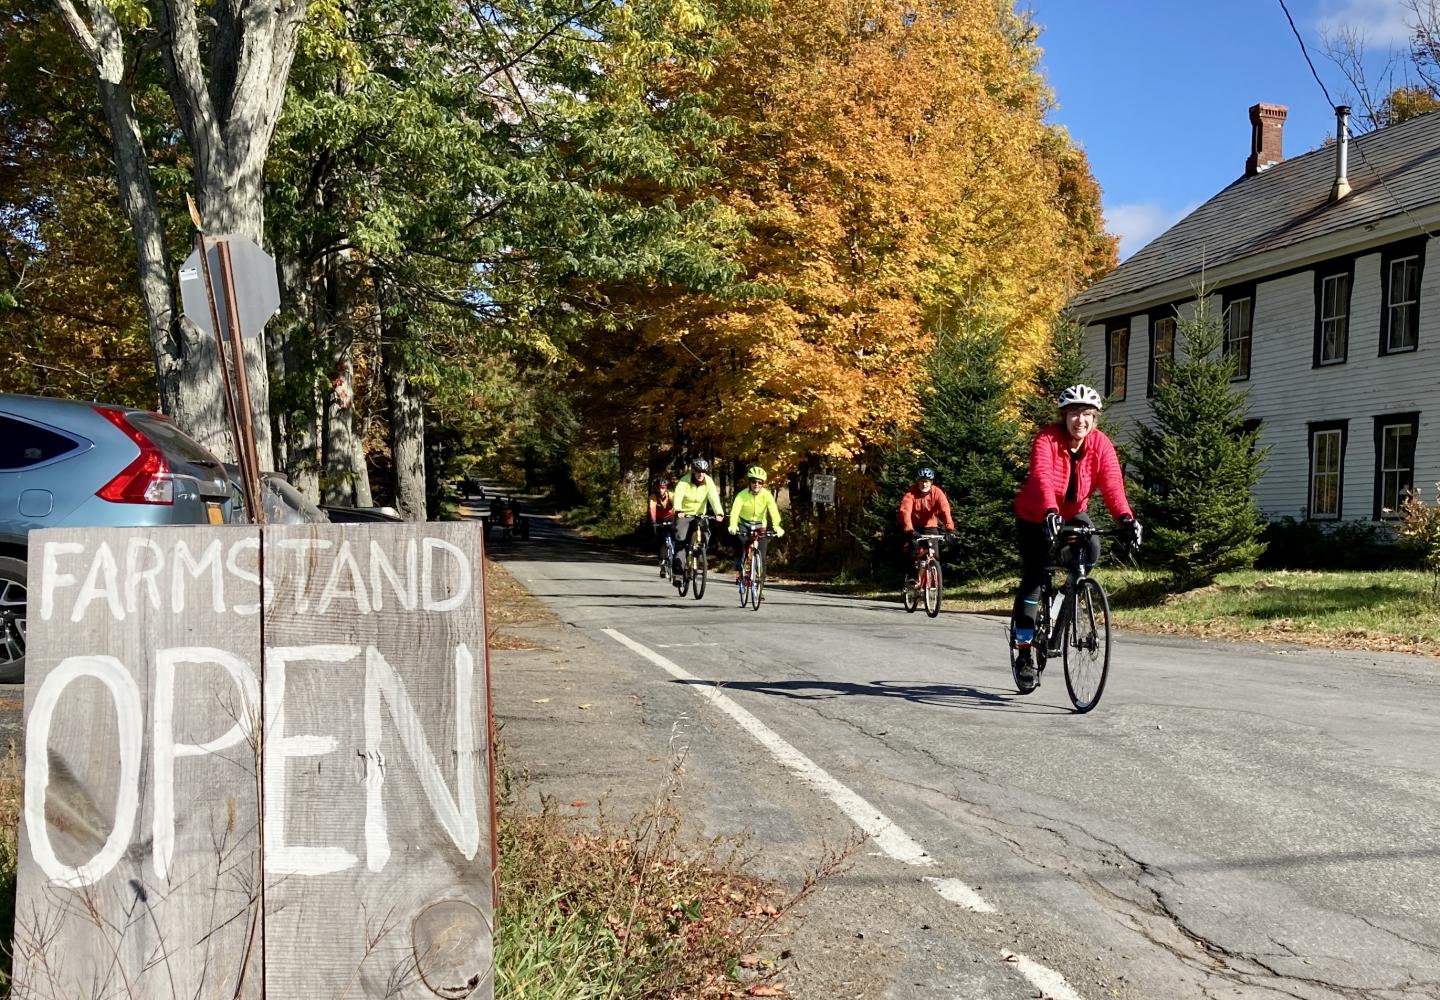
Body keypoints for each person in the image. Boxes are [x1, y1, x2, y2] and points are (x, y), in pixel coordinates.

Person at [1011, 384, 1141, 689]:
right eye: (1073, 413)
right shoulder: (1047, 438)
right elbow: (1042, 476)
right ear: (1063, 416)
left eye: (1086, 414)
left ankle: (1070, 591)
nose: (1080, 420)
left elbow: (1112, 486)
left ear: (1095, 419)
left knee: (1092, 547)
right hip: (1035, 514)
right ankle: (1025, 654)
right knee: (1032, 577)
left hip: (1072, 513)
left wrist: (1126, 518)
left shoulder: (1101, 445)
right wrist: (1049, 511)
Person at [897, 467, 955, 586]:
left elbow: (945, 509)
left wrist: (949, 529)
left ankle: (933, 578)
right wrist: (909, 529)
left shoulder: (937, 492)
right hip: (914, 527)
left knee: (934, 554)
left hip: (931, 526)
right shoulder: (911, 493)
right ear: (918, 481)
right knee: (913, 549)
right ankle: (912, 577)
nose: (924, 484)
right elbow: (905, 511)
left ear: (931, 482)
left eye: (927, 481)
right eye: (922, 481)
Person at [671, 459, 725, 577]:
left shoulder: (709, 482)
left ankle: (699, 555)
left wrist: (719, 512)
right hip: (684, 514)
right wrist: (678, 509)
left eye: (703, 471)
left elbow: (714, 498)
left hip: (700, 515)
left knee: (705, 535)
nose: (701, 474)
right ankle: (678, 573)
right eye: (698, 471)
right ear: (693, 471)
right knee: (681, 541)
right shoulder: (685, 481)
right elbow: (678, 495)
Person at [728, 466, 784, 580]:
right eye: (754, 482)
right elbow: (734, 512)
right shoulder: (742, 495)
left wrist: (777, 526)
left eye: (760, 482)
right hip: (743, 523)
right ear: (749, 482)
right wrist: (733, 525)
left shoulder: (766, 495)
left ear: (763, 484)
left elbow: (773, 511)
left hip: (760, 525)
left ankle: (760, 586)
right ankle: (740, 563)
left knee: (762, 556)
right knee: (741, 541)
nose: (757, 485)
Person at [648, 479, 677, 576]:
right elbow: (652, 509)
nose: (661, 490)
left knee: (674, 537)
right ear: (656, 488)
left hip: (671, 516)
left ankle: (675, 558)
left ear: (666, 488)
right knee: (662, 541)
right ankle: (662, 566)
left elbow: (677, 506)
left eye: (663, 488)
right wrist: (653, 521)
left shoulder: (671, 495)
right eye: (659, 488)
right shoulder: (653, 497)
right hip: (660, 519)